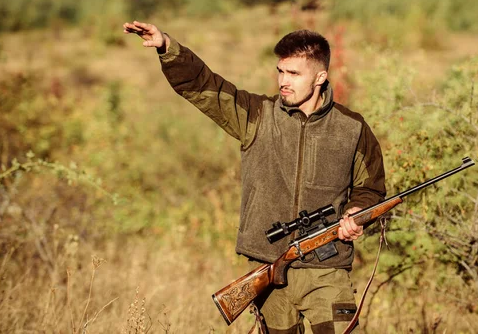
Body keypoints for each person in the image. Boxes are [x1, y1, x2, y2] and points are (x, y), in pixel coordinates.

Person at [123, 20, 386, 334]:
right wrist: (168, 48)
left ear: (320, 77)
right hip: (268, 267)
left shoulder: (352, 127)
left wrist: (356, 214)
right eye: (280, 71)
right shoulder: (257, 115)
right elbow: (206, 87)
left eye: (294, 74)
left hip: (327, 269)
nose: (283, 81)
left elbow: (371, 187)